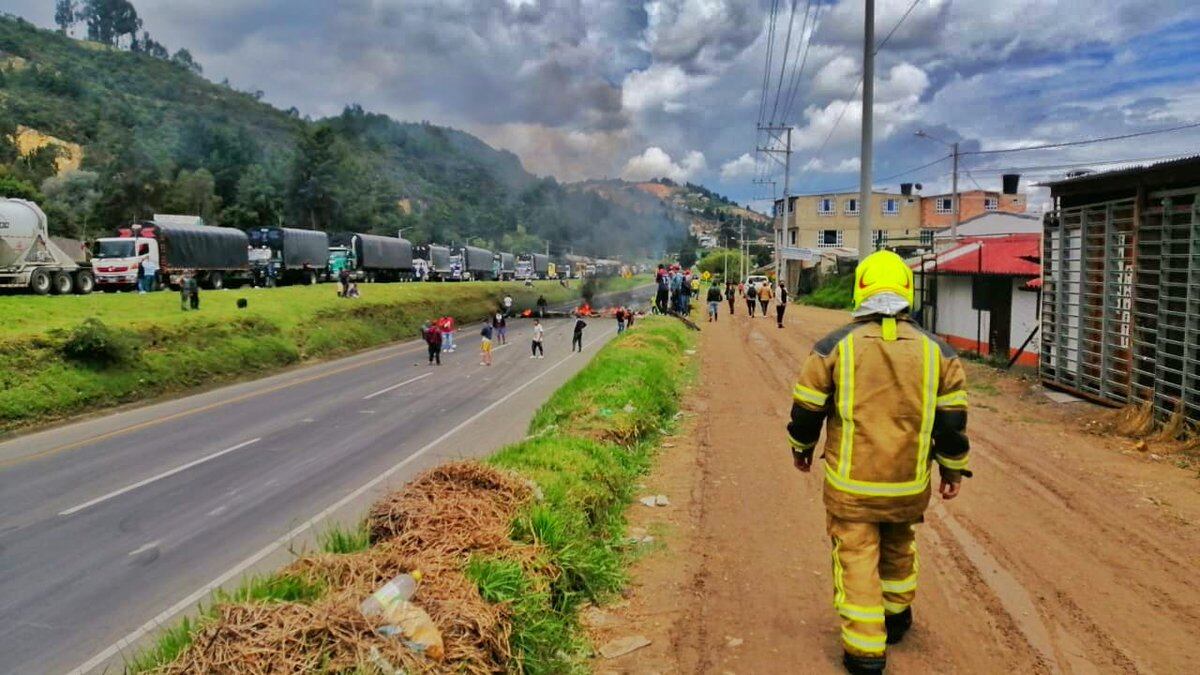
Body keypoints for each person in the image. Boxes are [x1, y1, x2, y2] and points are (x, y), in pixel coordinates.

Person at [786, 250, 971, 674]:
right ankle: (897, 616)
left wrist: (801, 449)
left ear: (860, 290)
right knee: (898, 544)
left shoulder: (833, 347)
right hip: (908, 485)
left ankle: (865, 651)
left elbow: (807, 410)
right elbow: (952, 424)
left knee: (855, 556)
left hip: (852, 485)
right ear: (907, 291)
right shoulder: (940, 354)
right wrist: (952, 469)